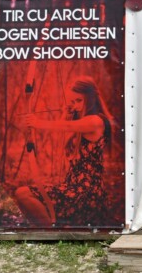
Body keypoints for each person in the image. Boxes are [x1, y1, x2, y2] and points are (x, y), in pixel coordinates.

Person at [14, 76, 114, 227]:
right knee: (22, 194)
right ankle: (50, 228)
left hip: (85, 193)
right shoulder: (82, 121)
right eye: (72, 101)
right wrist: (65, 114)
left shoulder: (96, 121)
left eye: (79, 100)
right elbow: (64, 137)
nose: (75, 105)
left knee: (23, 194)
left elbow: (66, 127)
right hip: (73, 188)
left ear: (91, 98)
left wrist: (37, 122)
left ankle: (49, 231)